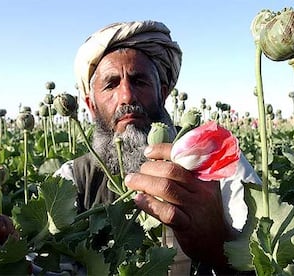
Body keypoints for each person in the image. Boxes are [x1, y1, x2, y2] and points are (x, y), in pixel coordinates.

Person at [55, 20, 261, 275]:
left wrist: (220, 246)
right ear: (90, 104)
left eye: (139, 81)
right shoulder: (71, 181)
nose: (127, 96)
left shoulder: (217, 162)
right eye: (111, 84)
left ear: (163, 93)